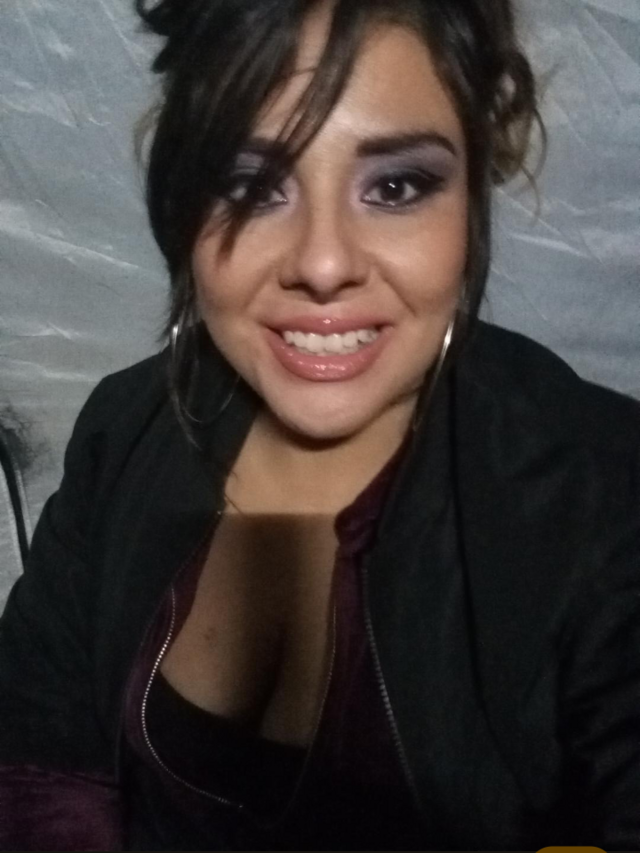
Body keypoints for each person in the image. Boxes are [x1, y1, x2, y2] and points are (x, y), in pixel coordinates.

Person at [1, 0, 639, 849]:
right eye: (251, 186)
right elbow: (40, 744)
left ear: (474, 190)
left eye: (396, 187)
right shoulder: (124, 427)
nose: (324, 263)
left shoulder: (603, 497)